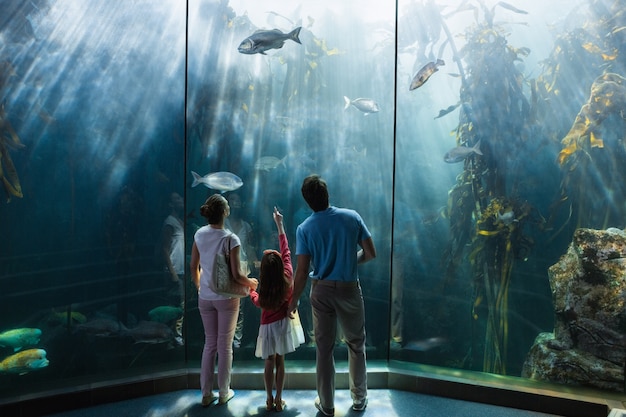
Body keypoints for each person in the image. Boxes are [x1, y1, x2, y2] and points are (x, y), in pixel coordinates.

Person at [288, 175, 377, 416]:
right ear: (327, 194)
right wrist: (350, 261)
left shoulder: (304, 228)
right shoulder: (352, 217)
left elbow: (303, 270)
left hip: (321, 290)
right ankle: (359, 399)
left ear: (308, 201)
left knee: (324, 349)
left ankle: (326, 405)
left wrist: (294, 299)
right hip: (349, 288)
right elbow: (370, 253)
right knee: (356, 344)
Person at [190, 194, 258, 407]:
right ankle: (223, 392)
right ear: (225, 213)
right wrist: (252, 282)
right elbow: (237, 275)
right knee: (225, 345)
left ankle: (205, 393)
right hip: (227, 298)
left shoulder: (199, 234)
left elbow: (194, 266)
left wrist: (200, 286)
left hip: (205, 297)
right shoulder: (231, 238)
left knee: (209, 344)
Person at [249, 207, 304, 412]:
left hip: (267, 328)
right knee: (281, 361)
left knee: (269, 361)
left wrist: (251, 291)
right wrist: (279, 224)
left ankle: (269, 398)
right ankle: (280, 399)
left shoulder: (264, 291)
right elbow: (286, 250)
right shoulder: (287, 275)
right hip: (283, 325)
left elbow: (257, 301)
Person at [224, 193, 259, 348]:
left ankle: (237, 340)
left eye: (238, 199)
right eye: (232, 200)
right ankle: (226, 338)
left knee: (241, 306)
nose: (235, 202)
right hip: (224, 268)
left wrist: (255, 263)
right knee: (225, 303)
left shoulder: (246, 226)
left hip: (243, 267)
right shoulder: (222, 223)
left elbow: (250, 248)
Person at [159, 192, 185, 345]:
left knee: (180, 305)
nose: (181, 200)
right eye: (176, 198)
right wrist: (173, 272)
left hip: (181, 270)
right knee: (173, 305)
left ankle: (175, 336)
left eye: (180, 197)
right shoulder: (169, 222)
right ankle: (171, 338)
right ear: (170, 204)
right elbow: (164, 248)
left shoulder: (180, 221)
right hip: (173, 271)